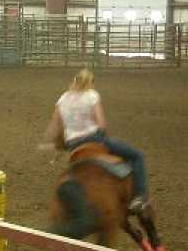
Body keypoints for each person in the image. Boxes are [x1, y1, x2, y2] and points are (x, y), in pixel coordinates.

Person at [40, 68, 148, 214]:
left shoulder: (63, 98)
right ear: (91, 82)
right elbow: (101, 123)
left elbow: (54, 125)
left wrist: (46, 142)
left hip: (73, 144)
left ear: (75, 80)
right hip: (93, 138)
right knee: (137, 156)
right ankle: (140, 197)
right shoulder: (92, 95)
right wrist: (102, 134)